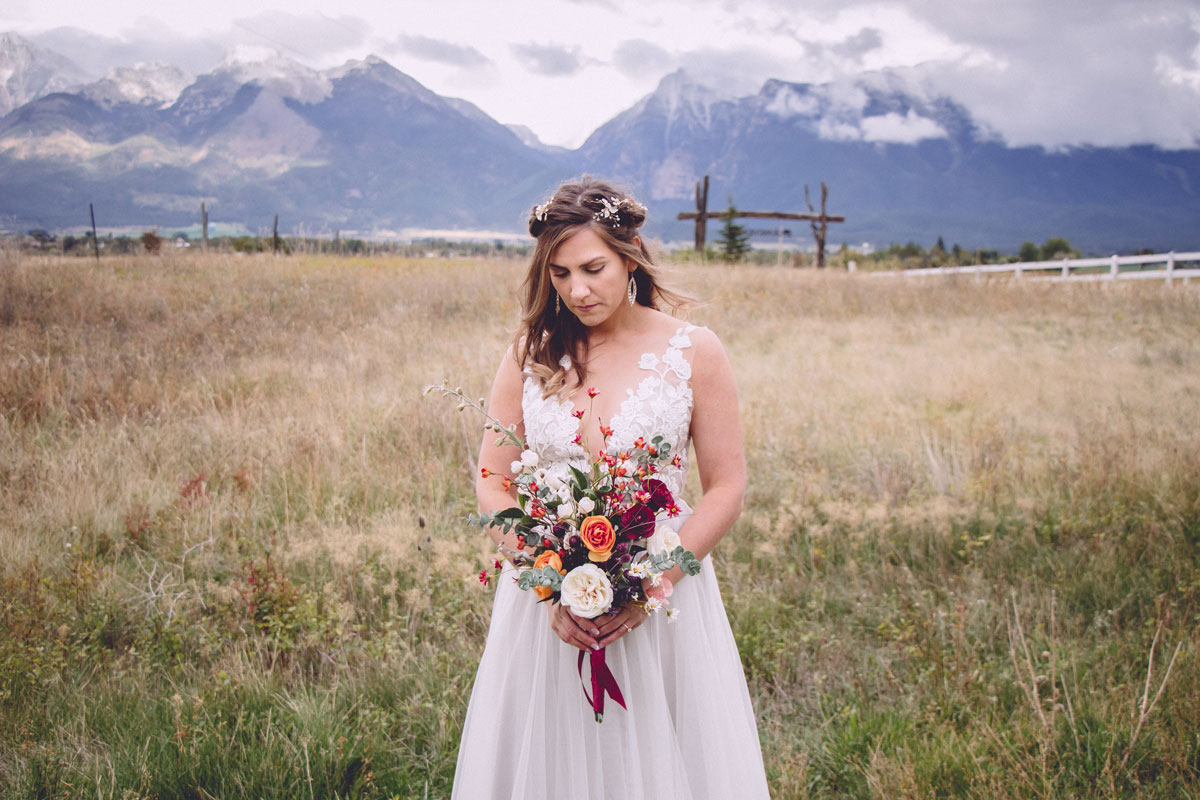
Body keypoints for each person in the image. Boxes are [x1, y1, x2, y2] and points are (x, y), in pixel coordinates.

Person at [451, 177, 770, 799]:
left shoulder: (692, 351)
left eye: (593, 268)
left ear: (630, 254)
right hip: (548, 607)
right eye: (562, 274)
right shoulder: (531, 353)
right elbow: (493, 482)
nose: (577, 290)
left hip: (663, 599)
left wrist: (656, 582)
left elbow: (727, 485)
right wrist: (548, 585)